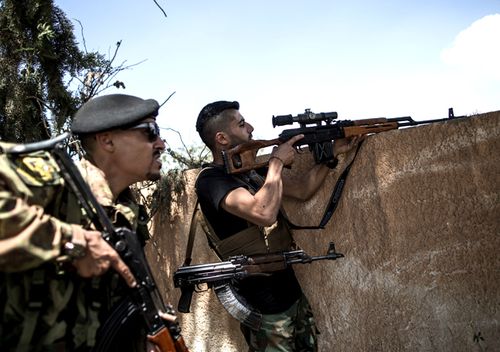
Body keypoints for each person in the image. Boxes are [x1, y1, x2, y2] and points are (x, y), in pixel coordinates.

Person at [0, 94, 166, 351]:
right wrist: (72, 243)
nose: (161, 144)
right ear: (107, 140)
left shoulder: (126, 211)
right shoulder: (57, 180)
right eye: (151, 131)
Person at [194, 100, 361, 351]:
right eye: (241, 124)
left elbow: (303, 190)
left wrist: (331, 156)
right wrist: (276, 163)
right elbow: (263, 213)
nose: (250, 127)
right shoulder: (211, 181)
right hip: (262, 304)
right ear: (222, 138)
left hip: (290, 290)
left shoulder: (250, 171)